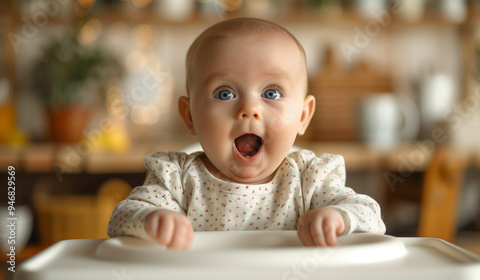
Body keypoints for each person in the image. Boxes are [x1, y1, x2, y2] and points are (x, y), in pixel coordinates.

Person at [107, 17, 385, 250]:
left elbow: (371, 216)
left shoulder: (310, 179)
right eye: (224, 93)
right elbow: (120, 218)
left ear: (302, 115)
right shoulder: (176, 179)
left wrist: (338, 217)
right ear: (190, 116)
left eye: (271, 93)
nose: (249, 108)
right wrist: (150, 219)